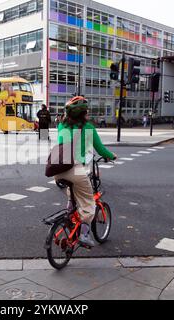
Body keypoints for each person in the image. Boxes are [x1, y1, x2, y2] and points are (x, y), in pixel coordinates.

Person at [54, 96, 117, 248]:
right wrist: (112, 156)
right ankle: (84, 234)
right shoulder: (88, 128)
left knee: (73, 194)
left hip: (57, 169)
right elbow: (100, 149)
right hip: (75, 169)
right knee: (89, 204)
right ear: (84, 113)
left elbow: (62, 140)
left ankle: (69, 217)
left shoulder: (62, 126)